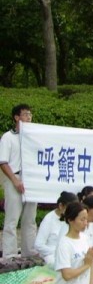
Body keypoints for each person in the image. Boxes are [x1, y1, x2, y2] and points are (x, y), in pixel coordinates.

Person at [0, 103, 37, 258]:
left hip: (31, 179)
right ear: (16, 117)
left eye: (30, 114)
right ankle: (10, 255)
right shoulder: (8, 137)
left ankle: (29, 252)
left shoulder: (34, 137)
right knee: (12, 219)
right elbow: (3, 162)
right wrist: (15, 181)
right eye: (25, 114)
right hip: (14, 178)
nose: (29, 117)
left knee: (30, 219)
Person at [35, 191, 78, 265]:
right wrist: (58, 251)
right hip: (52, 254)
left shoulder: (73, 218)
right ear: (61, 206)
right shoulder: (49, 219)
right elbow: (38, 245)